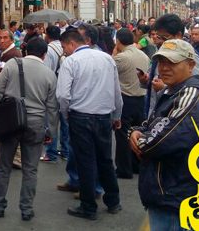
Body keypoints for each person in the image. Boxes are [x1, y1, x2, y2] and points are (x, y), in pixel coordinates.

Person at [129, 39, 199, 230]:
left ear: (191, 65)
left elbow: (162, 140)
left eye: (172, 63)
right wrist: (136, 131)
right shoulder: (171, 91)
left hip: (177, 194)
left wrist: (141, 142)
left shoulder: (191, 95)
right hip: (168, 191)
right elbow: (152, 124)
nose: (164, 68)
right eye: (161, 62)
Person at [56, 29, 123, 220]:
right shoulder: (107, 59)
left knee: (86, 162)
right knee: (105, 160)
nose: (64, 51)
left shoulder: (71, 62)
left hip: (80, 116)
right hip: (103, 117)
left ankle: (88, 206)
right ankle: (113, 201)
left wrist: (66, 114)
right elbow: (116, 91)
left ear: (71, 44)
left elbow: (62, 95)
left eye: (64, 47)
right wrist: (117, 115)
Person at [0, 38, 58, 221]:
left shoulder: (12, 65)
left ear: (26, 50)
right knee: (30, 169)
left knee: (4, 166)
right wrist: (51, 131)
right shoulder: (49, 74)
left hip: (11, 122)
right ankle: (26, 208)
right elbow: (52, 108)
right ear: (44, 55)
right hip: (35, 125)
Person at [141, 15, 199, 118]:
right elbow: (155, 78)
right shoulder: (161, 51)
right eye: (158, 36)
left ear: (178, 35)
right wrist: (146, 80)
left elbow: (197, 88)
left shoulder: (189, 55)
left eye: (164, 37)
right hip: (157, 116)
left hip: (176, 118)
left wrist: (164, 88)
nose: (159, 40)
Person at [111, 29, 150, 180]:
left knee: (122, 135)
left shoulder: (121, 57)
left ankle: (124, 169)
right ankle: (136, 165)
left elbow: (109, 67)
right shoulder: (144, 55)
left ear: (118, 41)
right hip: (140, 98)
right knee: (136, 134)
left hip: (125, 99)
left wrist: (115, 52)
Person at [0, 30, 24, 171]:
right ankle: (17, 159)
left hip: (6, 97)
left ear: (11, 39)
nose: (1, 41)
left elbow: (1, 80)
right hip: (14, 96)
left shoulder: (10, 55)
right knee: (14, 129)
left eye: (5, 38)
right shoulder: (12, 53)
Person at [42, 26, 68, 163]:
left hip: (53, 89)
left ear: (47, 35)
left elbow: (46, 71)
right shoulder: (65, 47)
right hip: (66, 87)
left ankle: (51, 152)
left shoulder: (49, 49)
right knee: (65, 121)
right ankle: (65, 151)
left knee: (51, 122)